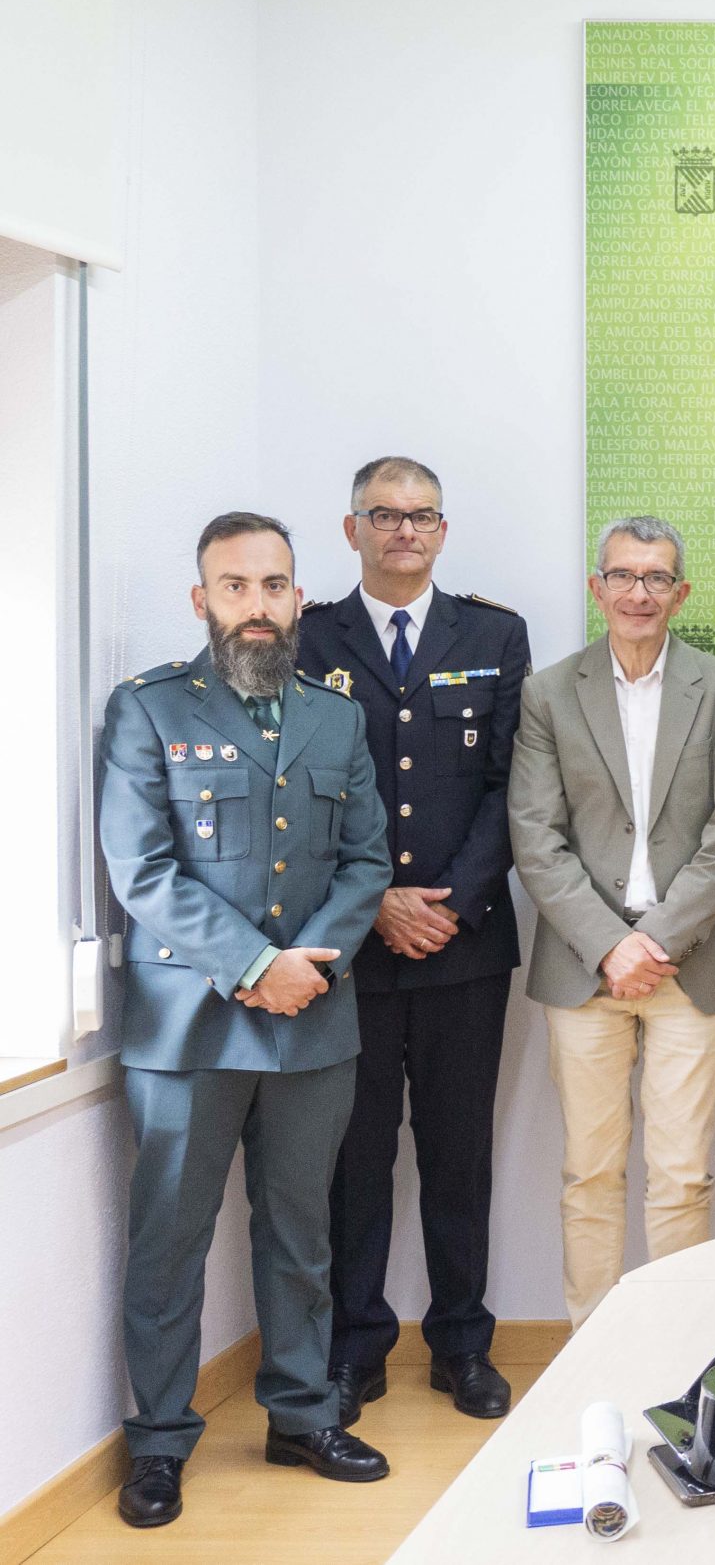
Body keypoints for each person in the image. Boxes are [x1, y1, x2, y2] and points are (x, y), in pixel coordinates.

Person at [101, 512, 395, 1527]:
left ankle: (302, 1413)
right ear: (203, 600)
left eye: (274, 585)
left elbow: (366, 860)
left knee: (302, 1235)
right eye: (236, 586)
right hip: (188, 1028)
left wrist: (305, 967)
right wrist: (256, 965)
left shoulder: (336, 717)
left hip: (311, 1021)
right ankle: (159, 1440)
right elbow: (141, 870)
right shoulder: (148, 709)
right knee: (170, 1242)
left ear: (298, 596)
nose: (257, 606)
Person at [295, 456, 527, 1426]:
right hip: (351, 950)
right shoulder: (310, 636)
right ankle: (355, 1348)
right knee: (354, 1160)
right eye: (384, 515)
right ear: (352, 529)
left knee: (458, 1153)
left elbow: (513, 787)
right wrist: (377, 902)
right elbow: (296, 790)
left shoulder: (495, 633)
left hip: (463, 948)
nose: (404, 530)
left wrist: (450, 902)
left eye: (421, 515)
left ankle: (462, 1343)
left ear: (442, 530)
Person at [507, 517, 715, 1327]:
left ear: (680, 594)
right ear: (598, 589)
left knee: (681, 1176)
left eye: (656, 578)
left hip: (693, 965)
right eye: (622, 575)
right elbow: (536, 838)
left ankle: (674, 1346)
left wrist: (653, 942)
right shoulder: (550, 692)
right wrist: (610, 945)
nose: (638, 593)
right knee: (590, 1172)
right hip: (584, 968)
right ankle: (594, 1346)